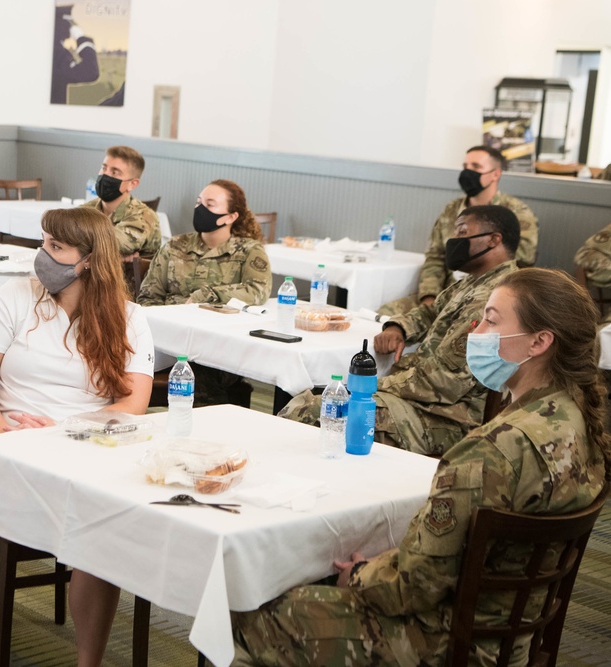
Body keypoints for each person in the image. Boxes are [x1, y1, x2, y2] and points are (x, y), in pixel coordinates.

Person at [231, 267, 608, 666]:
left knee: (253, 611)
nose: (475, 332)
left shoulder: (492, 451)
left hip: (452, 640)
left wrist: (359, 574)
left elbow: (413, 587)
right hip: (515, 633)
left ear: (539, 342)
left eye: (492, 322)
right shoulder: (581, 419)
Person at [0, 207, 154, 666]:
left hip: (90, 445)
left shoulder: (128, 317)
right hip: (16, 448)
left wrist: (71, 430)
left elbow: (133, 404)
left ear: (88, 260)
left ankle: (89, 660)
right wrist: (4, 433)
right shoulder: (14, 297)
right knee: (100, 522)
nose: (41, 256)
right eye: (43, 242)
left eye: (55, 247)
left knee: (105, 520)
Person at [280, 205, 519, 457]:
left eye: (462, 232)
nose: (454, 241)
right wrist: (399, 327)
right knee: (313, 405)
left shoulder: (491, 299)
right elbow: (429, 312)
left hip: (446, 417)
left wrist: (373, 385)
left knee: (313, 411)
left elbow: (443, 383)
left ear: (494, 240)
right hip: (420, 401)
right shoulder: (475, 282)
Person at [138, 179, 271, 405]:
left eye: (210, 205)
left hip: (218, 345)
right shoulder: (175, 246)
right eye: (199, 203)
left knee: (205, 371)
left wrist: (207, 294)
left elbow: (257, 290)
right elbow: (148, 299)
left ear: (231, 217)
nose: (201, 209)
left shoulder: (248, 251)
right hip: (169, 341)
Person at [377, 145, 537, 317]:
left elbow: (521, 264)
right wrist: (429, 296)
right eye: (465, 167)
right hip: (445, 293)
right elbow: (435, 257)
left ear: (496, 174)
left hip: (486, 298)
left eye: (476, 167)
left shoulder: (517, 213)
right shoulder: (452, 210)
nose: (468, 172)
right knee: (386, 314)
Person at [80, 145, 161, 258]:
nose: (105, 175)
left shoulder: (144, 216)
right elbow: (65, 229)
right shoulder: (90, 207)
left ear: (132, 184)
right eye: (104, 168)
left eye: (115, 172)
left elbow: (109, 243)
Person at [50, 3, 99, 105]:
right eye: (69, 23)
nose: (72, 25)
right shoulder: (57, 52)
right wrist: (82, 38)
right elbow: (90, 71)